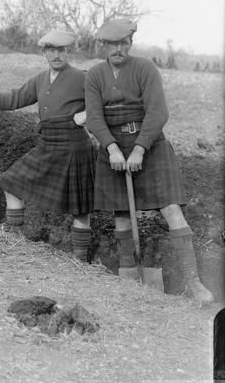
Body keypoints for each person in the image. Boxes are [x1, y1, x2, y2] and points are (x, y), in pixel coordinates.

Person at [84, 19, 214, 303]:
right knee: (120, 214)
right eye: (112, 44)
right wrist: (113, 149)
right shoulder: (95, 75)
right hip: (113, 149)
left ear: (130, 44)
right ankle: (128, 273)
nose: (118, 49)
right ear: (103, 46)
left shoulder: (145, 69)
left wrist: (140, 148)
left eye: (124, 43)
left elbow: (158, 112)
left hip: (150, 145)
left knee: (171, 208)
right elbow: (93, 117)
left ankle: (193, 282)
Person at [0, 29, 96, 255]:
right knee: (10, 182)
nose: (56, 55)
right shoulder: (40, 79)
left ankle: (80, 259)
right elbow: (14, 98)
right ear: (44, 52)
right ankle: (14, 241)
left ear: (68, 52)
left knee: (80, 209)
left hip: (75, 146)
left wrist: (87, 114)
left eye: (61, 50)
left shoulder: (81, 77)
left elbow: (104, 100)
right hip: (48, 143)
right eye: (51, 50)